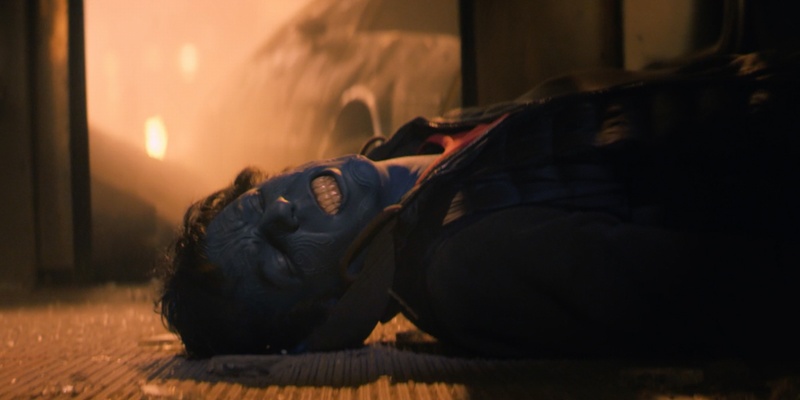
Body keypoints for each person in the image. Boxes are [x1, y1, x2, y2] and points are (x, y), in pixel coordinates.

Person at [158, 51, 800, 358]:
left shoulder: (419, 144)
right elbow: (731, 287)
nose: (280, 210)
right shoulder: (463, 265)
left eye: (257, 200)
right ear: (326, 310)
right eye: (278, 261)